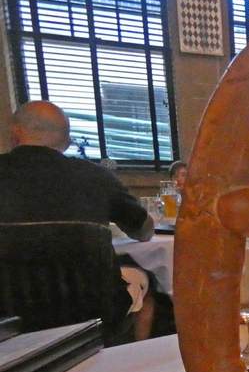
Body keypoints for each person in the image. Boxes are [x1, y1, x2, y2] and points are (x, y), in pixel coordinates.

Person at [0, 100, 156, 340]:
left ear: (14, 133)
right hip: (95, 314)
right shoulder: (95, 177)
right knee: (148, 284)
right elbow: (144, 231)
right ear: (67, 142)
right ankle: (132, 366)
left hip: (10, 321)